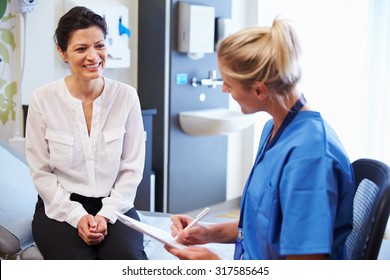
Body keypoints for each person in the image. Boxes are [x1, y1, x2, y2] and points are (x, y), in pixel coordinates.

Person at [165, 18, 355, 260]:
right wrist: (207, 233)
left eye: (229, 83)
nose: (224, 89)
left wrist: (217, 266)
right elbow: (264, 225)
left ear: (259, 90)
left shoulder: (311, 158)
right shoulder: (273, 130)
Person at [25, 6, 148, 260]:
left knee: (127, 259)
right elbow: (41, 172)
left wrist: (106, 214)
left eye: (100, 45)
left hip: (116, 206)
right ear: (63, 52)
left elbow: (131, 169)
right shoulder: (43, 99)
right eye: (81, 49)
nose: (94, 56)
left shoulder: (126, 97)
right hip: (59, 208)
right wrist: (77, 215)